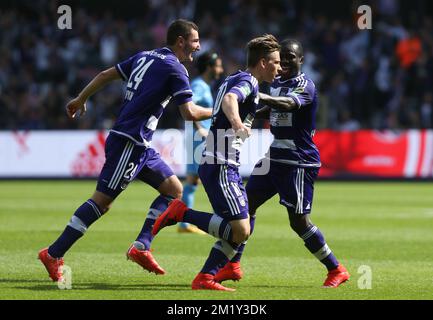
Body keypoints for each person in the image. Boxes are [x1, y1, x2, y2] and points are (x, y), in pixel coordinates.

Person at [38, 19, 213, 282]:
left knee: (174, 191)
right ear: (180, 41)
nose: (198, 47)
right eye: (195, 41)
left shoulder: (145, 56)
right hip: (129, 142)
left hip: (138, 144)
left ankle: (141, 246)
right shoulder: (175, 69)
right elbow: (189, 113)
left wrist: (80, 98)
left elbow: (104, 75)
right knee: (102, 203)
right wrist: (223, 110)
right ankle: (53, 253)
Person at [215, 39, 350, 288]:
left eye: (290, 57)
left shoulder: (305, 86)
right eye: (281, 57)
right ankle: (232, 265)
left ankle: (336, 269)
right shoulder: (276, 82)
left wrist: (256, 95)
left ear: (301, 60)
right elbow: (270, 109)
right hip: (274, 157)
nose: (285, 62)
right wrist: (249, 110)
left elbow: (288, 104)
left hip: (299, 161)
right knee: (246, 206)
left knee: (298, 222)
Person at [152, 34, 281, 291]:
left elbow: (240, 102)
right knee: (241, 230)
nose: (280, 68)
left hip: (216, 162)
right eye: (276, 62)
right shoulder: (247, 82)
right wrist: (235, 123)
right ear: (263, 62)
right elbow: (230, 100)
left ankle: (205, 278)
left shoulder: (234, 77)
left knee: (238, 227)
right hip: (222, 164)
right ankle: (181, 213)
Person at [179, 52, 224, 234]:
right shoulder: (199, 85)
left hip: (197, 138)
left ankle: (183, 222)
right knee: (212, 176)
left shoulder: (204, 85)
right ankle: (221, 220)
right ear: (209, 67)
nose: (220, 70)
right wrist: (200, 129)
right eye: (218, 66)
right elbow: (189, 106)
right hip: (199, 138)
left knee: (193, 179)